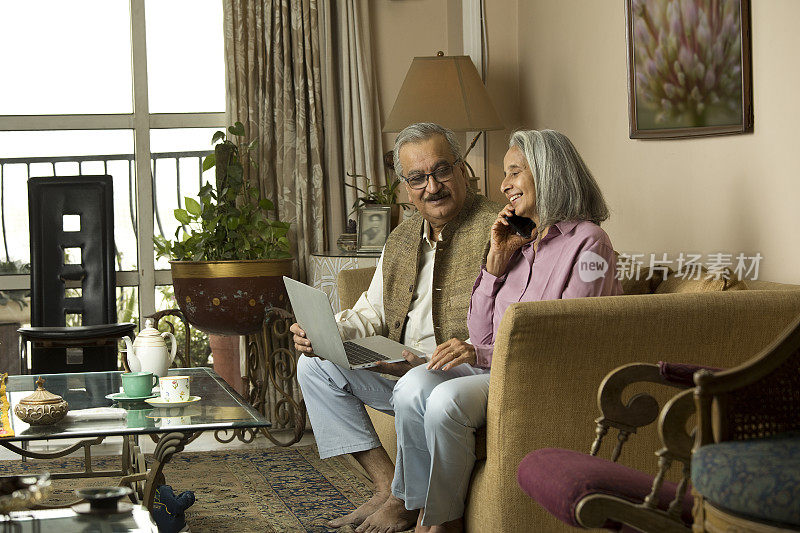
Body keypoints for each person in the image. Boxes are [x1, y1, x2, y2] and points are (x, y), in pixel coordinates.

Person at [394, 129, 623, 532]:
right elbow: (479, 332)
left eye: (515, 172)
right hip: (495, 367)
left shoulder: (590, 244)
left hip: (539, 376)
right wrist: (496, 262)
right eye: (505, 174)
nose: (503, 185)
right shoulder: (520, 240)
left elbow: (565, 339)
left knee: (446, 399)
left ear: (548, 174)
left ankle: (445, 522)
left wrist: (478, 354)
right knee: (412, 386)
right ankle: (420, 508)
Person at [291, 122, 501, 533]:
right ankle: (386, 486)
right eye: (418, 178)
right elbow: (372, 312)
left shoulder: (496, 229)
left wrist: (430, 361)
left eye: (442, 171)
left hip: (453, 375)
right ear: (406, 188)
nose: (432, 186)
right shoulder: (402, 238)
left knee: (415, 383)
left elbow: (507, 318)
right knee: (313, 367)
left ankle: (407, 500)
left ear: (463, 171)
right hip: (396, 365)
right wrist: (325, 332)